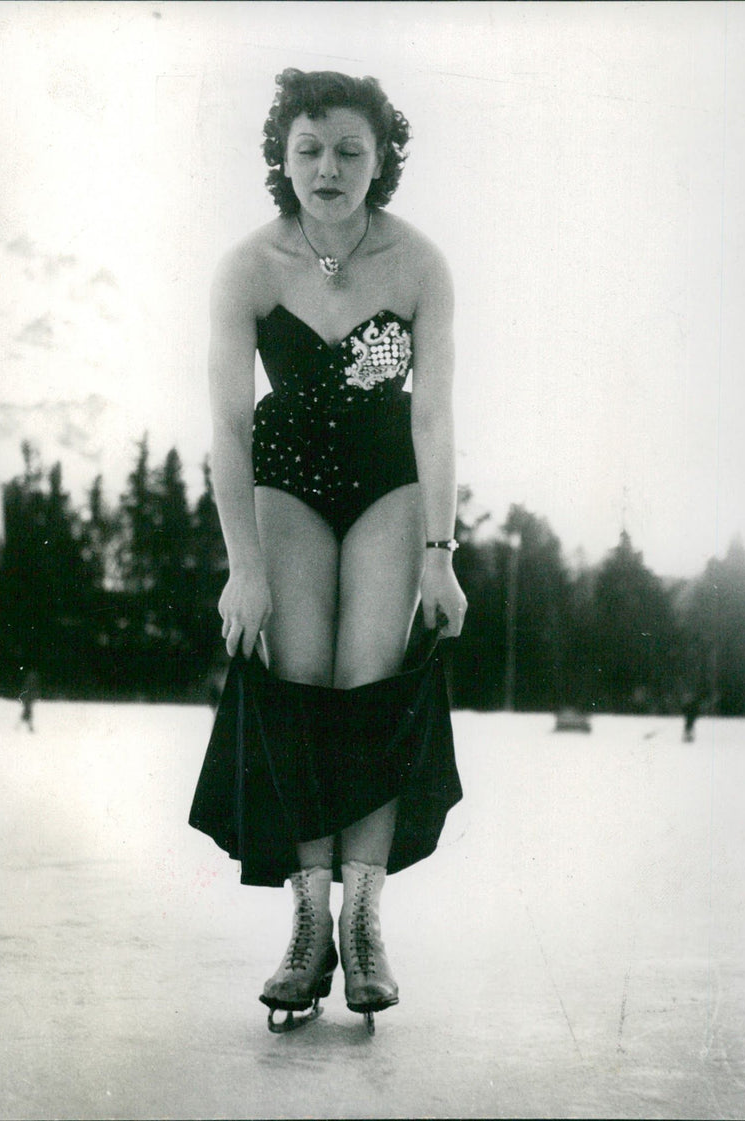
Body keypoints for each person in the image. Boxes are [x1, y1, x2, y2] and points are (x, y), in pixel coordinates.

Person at [189, 69, 467, 1033]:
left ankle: (367, 925)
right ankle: (310, 924)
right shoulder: (248, 267)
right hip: (286, 482)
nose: (328, 168)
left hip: (389, 484)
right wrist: (245, 565)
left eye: (351, 149)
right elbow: (227, 426)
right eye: (309, 150)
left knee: (370, 685)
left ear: (383, 158)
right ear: (283, 157)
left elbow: (431, 418)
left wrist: (440, 551)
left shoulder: (420, 265)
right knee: (300, 683)